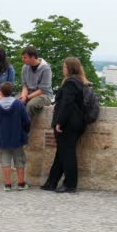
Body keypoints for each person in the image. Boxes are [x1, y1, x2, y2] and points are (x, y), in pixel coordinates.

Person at [41, 57, 88, 193]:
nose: (63, 69)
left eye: (64, 67)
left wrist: (59, 122)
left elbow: (66, 104)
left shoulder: (70, 83)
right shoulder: (78, 82)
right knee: (62, 153)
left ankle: (70, 184)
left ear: (70, 68)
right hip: (75, 122)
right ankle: (52, 182)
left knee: (67, 154)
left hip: (68, 123)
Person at [0, 82, 31, 191]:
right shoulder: (18, 104)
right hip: (18, 137)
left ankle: (7, 185)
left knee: (5, 160)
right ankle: (21, 183)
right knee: (19, 159)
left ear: (1, 92)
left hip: (3, 138)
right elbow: (26, 121)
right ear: (12, 91)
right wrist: (25, 132)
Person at [18, 46, 52, 118]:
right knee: (15, 103)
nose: (22, 59)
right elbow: (25, 85)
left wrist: (27, 98)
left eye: (25, 57)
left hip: (44, 95)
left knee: (30, 105)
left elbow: (42, 90)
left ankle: (25, 128)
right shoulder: (25, 67)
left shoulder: (46, 69)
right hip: (29, 93)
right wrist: (23, 96)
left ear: (33, 57)